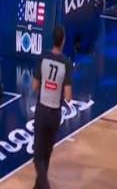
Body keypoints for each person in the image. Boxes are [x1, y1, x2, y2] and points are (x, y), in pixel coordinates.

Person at [32, 26, 73, 189]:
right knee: (46, 154)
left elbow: (34, 86)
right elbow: (68, 97)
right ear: (63, 41)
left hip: (42, 111)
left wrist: (46, 87)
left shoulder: (43, 58)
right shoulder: (66, 63)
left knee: (38, 157)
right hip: (55, 114)